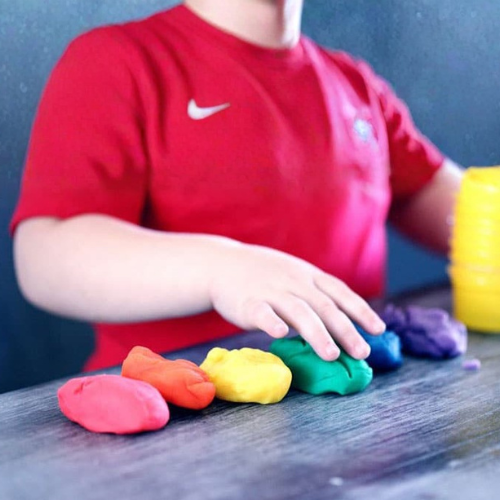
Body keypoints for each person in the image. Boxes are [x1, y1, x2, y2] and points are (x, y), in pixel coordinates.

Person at [10, 0, 463, 371]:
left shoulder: (355, 85)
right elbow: (44, 258)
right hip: (173, 420)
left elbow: (469, 214)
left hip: (357, 408)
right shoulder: (115, 62)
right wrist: (222, 270)